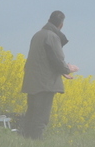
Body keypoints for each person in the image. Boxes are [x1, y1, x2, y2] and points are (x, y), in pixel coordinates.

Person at [21, 10, 78, 139]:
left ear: (49, 20)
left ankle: (25, 143)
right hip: (45, 84)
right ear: (61, 25)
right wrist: (68, 69)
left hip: (32, 82)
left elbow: (44, 59)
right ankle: (34, 146)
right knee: (40, 118)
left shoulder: (37, 35)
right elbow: (57, 60)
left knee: (31, 115)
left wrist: (62, 72)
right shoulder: (52, 36)